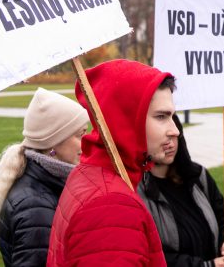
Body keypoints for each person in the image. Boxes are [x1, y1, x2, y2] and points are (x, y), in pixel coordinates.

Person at [47, 59, 178, 266]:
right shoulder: (111, 206)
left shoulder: (91, 173)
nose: (175, 130)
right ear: (125, 118)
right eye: (161, 116)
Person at [0, 88, 89, 266]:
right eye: (80, 135)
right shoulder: (35, 207)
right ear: (53, 142)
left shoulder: (45, 184)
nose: (87, 141)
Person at [138, 114, 224, 266]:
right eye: (164, 137)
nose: (171, 144)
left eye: (175, 136)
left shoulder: (197, 176)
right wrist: (208, 265)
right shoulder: (135, 190)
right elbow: (150, 255)